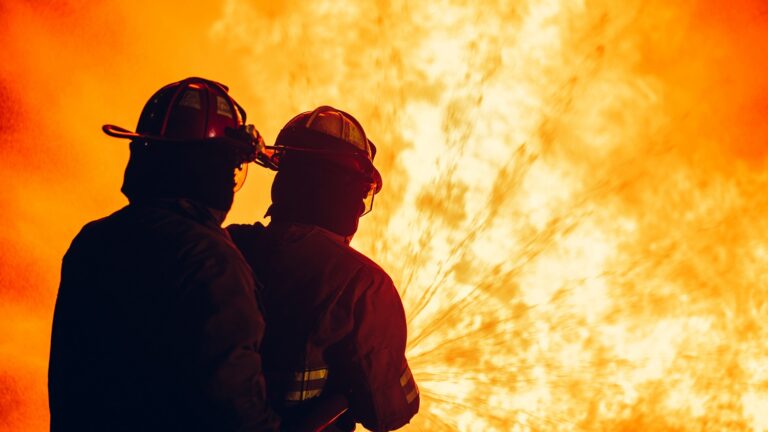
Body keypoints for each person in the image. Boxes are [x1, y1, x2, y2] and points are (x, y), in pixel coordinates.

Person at [48, 77, 280, 431]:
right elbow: (235, 414)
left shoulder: (93, 240)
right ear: (214, 169)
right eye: (232, 168)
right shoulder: (212, 261)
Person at [228, 106, 419, 431]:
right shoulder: (364, 285)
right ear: (345, 190)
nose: (361, 204)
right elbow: (389, 413)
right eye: (361, 191)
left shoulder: (225, 246)